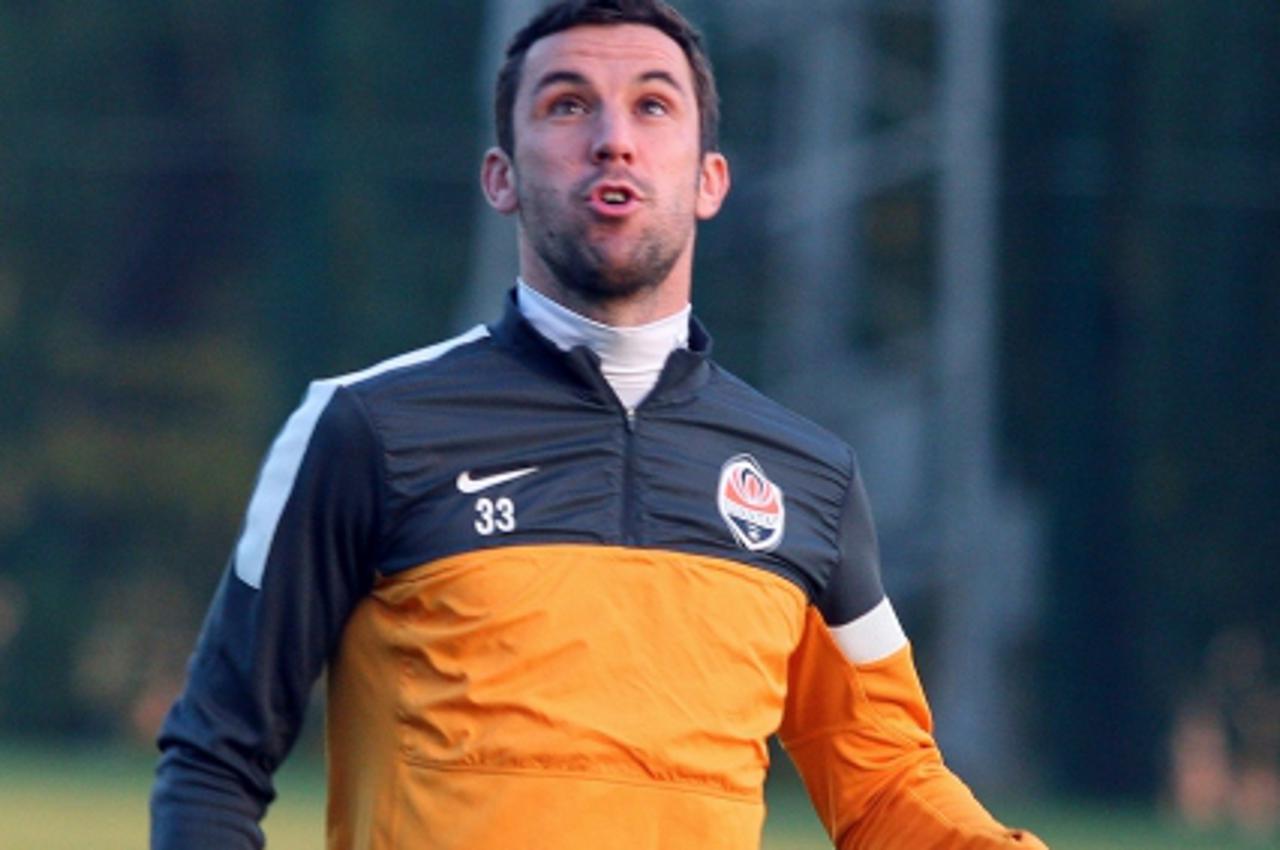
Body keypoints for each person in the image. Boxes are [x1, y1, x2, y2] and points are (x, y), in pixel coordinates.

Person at [150, 1, 1049, 848]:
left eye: (653, 106)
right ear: (500, 176)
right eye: (567, 104)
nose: (613, 140)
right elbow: (216, 756)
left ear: (709, 181)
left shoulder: (810, 480)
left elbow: (887, 781)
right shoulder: (363, 428)